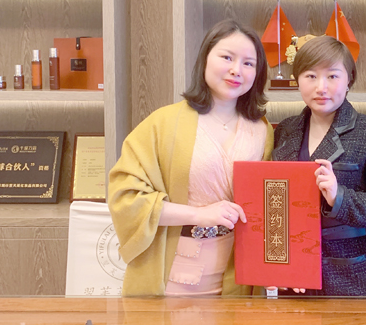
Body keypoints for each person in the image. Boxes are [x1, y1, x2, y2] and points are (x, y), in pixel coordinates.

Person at [108, 19, 274, 296]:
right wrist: (199, 214)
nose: (236, 70)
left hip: (238, 276)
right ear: (205, 58)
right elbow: (126, 198)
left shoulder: (262, 130)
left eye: (248, 63)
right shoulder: (163, 123)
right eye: (227, 57)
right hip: (173, 273)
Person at [272, 36, 366, 296]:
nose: (321, 87)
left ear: (349, 80)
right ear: (297, 80)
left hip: (351, 275)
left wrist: (340, 198)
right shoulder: (286, 130)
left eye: (332, 76)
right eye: (311, 76)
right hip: (292, 270)